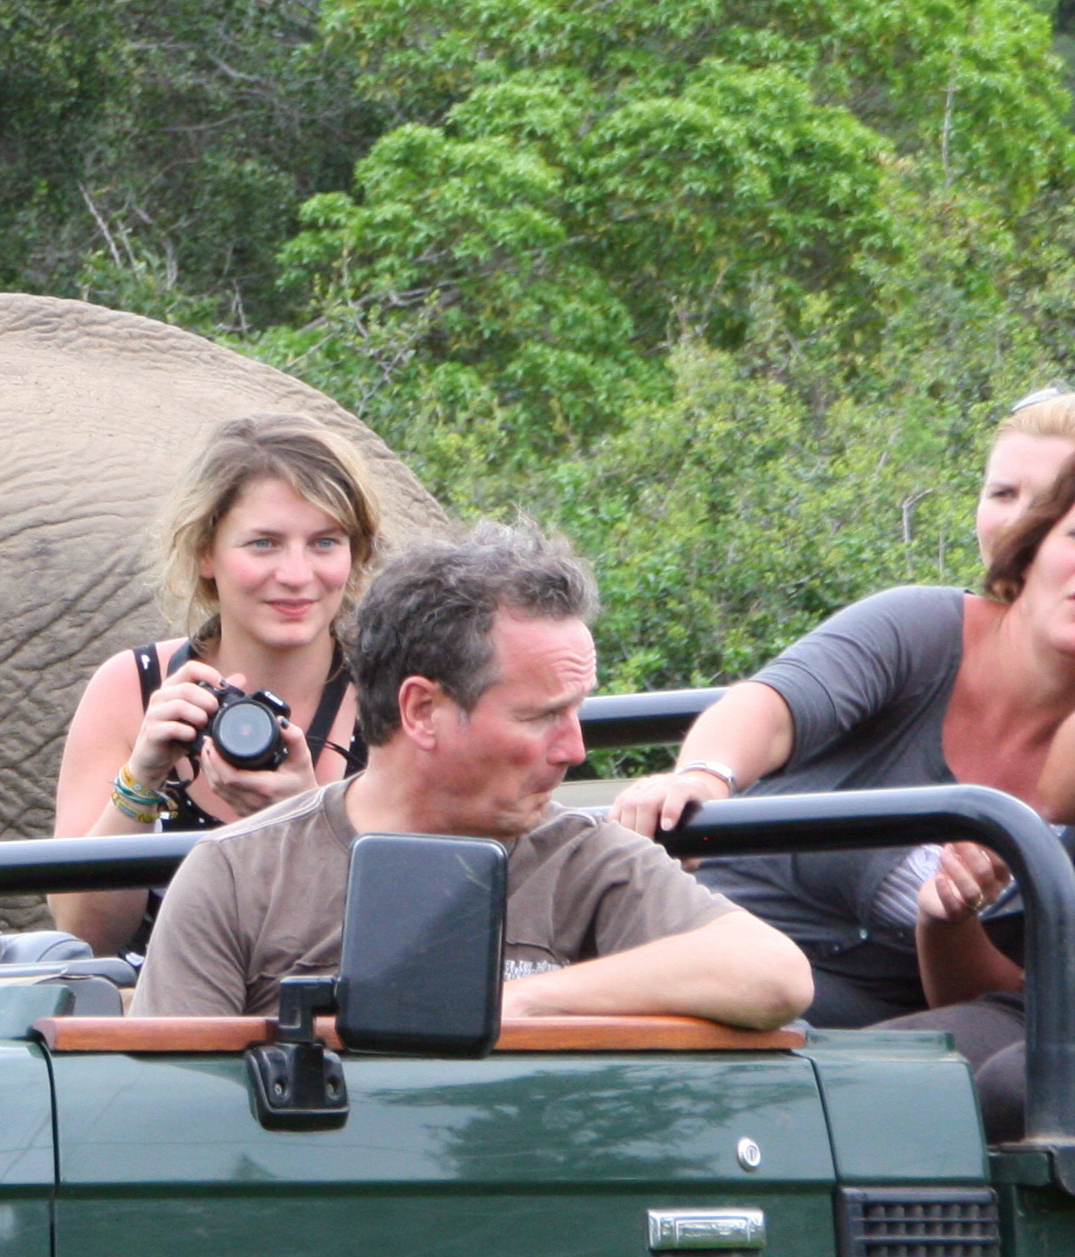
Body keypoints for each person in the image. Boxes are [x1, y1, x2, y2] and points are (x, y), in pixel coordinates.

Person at [136, 526, 814, 1028]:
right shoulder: (236, 875)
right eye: (541, 717)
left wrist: (515, 1002)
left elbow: (775, 974)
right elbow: (164, 1114)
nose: (574, 749)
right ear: (423, 709)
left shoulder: (587, 860)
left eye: (577, 712)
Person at [605, 387, 1075, 1024]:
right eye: (1003, 496)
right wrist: (705, 776)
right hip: (719, 951)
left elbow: (1015, 1011)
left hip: (871, 1042)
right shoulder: (921, 630)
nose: (1022, 521)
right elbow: (769, 708)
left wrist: (946, 920)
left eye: (1046, 504)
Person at [50, 413, 389, 954]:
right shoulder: (131, 689)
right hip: (159, 1018)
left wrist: (310, 818)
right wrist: (143, 778)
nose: (298, 574)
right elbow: (86, 935)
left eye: (325, 543)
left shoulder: (395, 703)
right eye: (263, 544)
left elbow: (417, 933)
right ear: (205, 552)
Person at [810, 452, 1075, 1134]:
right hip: (1003, 1006)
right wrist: (945, 915)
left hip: (1026, 1027)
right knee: (862, 1084)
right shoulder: (919, 630)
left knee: (1015, 1084)